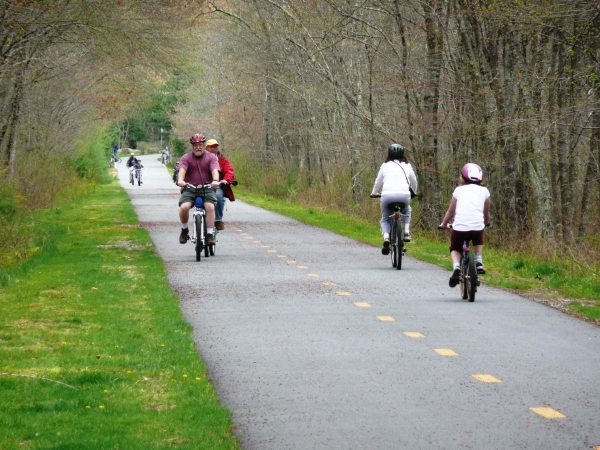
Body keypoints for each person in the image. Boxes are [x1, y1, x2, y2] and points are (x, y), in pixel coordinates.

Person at [439, 163, 490, 287]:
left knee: (455, 247)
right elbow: (485, 212)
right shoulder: (485, 191)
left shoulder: (458, 190)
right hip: (477, 226)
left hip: (459, 227)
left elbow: (450, 211)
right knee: (478, 238)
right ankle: (479, 261)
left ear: (463, 177)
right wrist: (485, 223)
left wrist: (444, 224)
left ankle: (456, 267)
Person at [370, 143, 418, 255]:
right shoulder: (407, 165)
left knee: (385, 218)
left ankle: (386, 237)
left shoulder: (385, 165)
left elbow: (378, 181)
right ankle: (406, 232)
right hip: (404, 195)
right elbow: (414, 181)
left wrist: (374, 192)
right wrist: (414, 192)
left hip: (387, 195)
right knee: (407, 210)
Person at [177, 134, 220, 245]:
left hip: (207, 188)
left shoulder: (211, 157)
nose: (198, 147)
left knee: (210, 207)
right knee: (184, 207)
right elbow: (182, 170)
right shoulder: (186, 158)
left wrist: (215, 180)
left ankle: (209, 235)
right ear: (192, 146)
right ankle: (184, 229)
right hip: (190, 188)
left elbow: (215, 170)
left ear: (204, 145)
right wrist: (180, 180)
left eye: (200, 145)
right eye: (195, 145)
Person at [205, 139, 235, 230]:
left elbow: (229, 171)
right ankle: (199, 216)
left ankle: (218, 220)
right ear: (206, 148)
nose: (213, 149)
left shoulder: (223, 160)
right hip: (203, 185)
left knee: (218, 196)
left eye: (215, 147)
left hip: (217, 185)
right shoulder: (200, 158)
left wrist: (225, 180)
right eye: (211, 147)